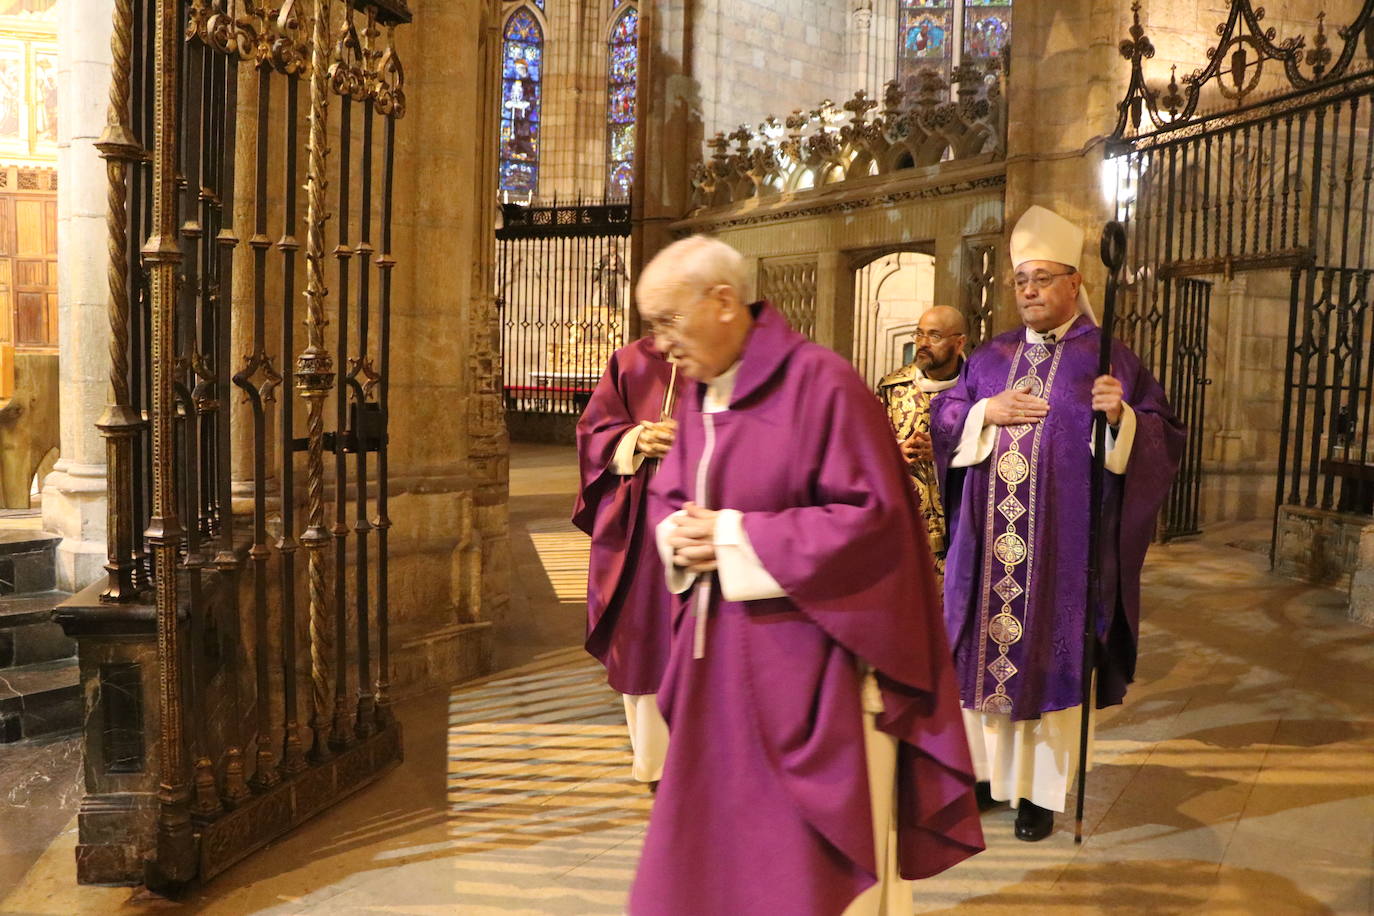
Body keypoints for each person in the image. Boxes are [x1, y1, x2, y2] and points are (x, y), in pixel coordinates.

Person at [631, 235, 983, 916]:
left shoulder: (822, 384)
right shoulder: (702, 394)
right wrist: (675, 534)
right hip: (717, 680)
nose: (659, 345)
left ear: (724, 302)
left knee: (803, 874)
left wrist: (734, 536)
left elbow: (875, 522)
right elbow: (673, 496)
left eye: (668, 322)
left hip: (813, 677)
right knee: (716, 864)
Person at [932, 205, 1184, 842]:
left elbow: (1163, 438)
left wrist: (1122, 418)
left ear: (1075, 283)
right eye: (1021, 281)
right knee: (979, 659)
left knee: (1049, 660)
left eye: (1043, 278)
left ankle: (1039, 795)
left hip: (1061, 553)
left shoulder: (1107, 358)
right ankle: (988, 779)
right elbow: (943, 416)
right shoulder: (988, 358)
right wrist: (984, 411)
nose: (1030, 292)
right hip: (989, 549)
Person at [571, 338, 678, 785]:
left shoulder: (728, 360)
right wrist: (636, 438)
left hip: (707, 520)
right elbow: (593, 431)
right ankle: (655, 762)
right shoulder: (632, 361)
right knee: (645, 634)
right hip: (642, 524)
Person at [876, 305, 969, 578]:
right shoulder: (893, 388)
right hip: (907, 532)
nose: (923, 344)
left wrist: (945, 451)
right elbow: (866, 448)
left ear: (959, 342)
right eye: (919, 335)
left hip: (962, 526)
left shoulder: (976, 385)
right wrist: (896, 452)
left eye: (934, 336)